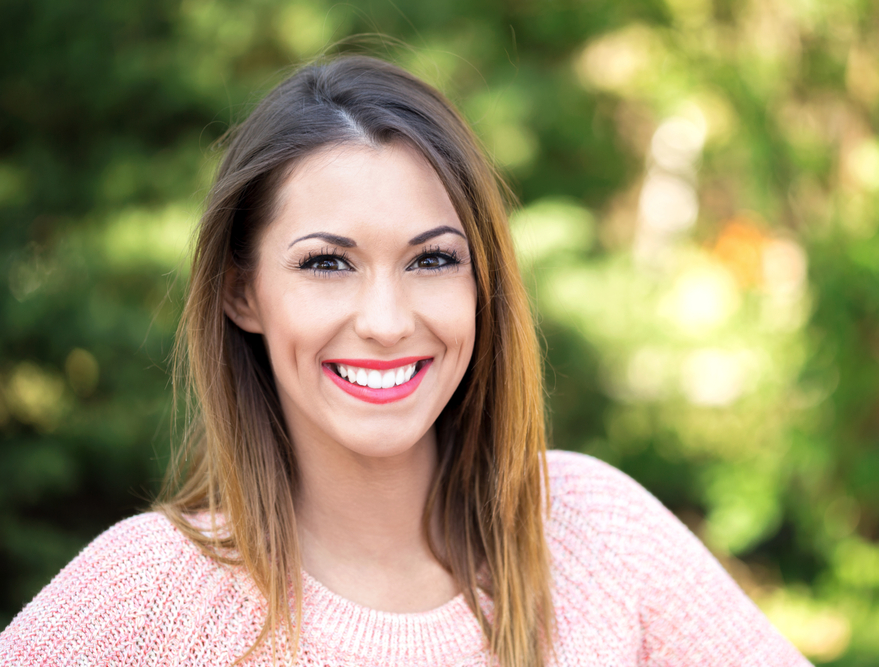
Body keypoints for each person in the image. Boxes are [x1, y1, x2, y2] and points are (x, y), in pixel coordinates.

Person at [0, 55, 811, 667]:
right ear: (242, 293)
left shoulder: (599, 534)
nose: (387, 321)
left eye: (431, 260)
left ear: (483, 284)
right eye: (326, 263)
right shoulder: (150, 595)